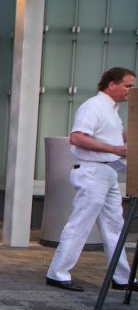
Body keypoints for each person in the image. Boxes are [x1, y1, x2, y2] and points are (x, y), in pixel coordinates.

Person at [46, 67, 135, 292]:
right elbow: (77, 138)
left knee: (115, 226)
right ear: (112, 84)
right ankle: (57, 273)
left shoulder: (111, 110)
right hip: (93, 171)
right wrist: (115, 149)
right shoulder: (94, 106)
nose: (130, 91)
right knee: (81, 223)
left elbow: (108, 138)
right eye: (127, 86)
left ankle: (122, 278)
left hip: (107, 171)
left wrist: (126, 137)